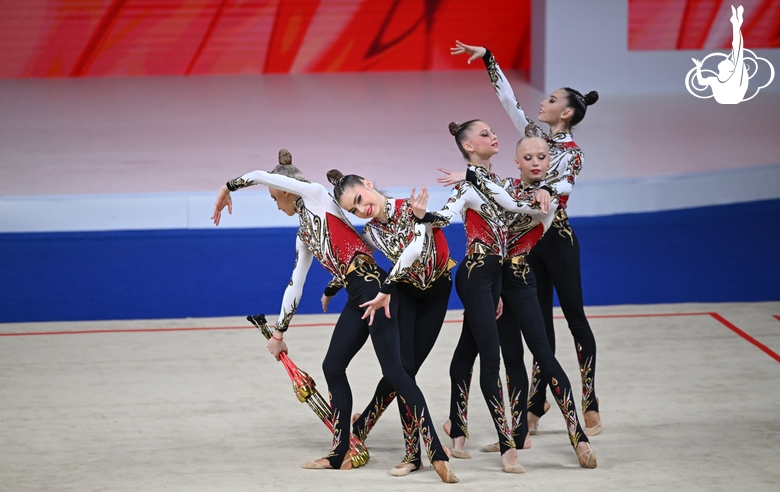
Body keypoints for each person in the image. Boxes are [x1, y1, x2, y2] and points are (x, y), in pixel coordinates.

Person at [210, 149, 457, 483]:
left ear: (285, 189)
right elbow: (295, 283)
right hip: (359, 292)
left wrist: (228, 187)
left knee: (396, 372)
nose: (275, 203)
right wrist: (280, 333)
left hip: (375, 290)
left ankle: (435, 452)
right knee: (333, 365)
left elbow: (260, 174)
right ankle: (341, 452)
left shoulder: (316, 196)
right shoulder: (304, 233)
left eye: (274, 197)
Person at [447, 41, 602, 437]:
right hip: (522, 241)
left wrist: (541, 192)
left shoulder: (573, 154)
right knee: (537, 326)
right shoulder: (533, 139)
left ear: (565, 112)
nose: (542, 103)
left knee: (575, 318)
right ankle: (534, 404)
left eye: (550, 100)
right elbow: (509, 102)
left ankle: (589, 399)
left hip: (555, 234)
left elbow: (563, 185)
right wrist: (489, 59)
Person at [451, 134, 596, 468]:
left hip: (520, 278)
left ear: (549, 161)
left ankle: (579, 438)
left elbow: (524, 205)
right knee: (510, 356)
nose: (535, 162)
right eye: (527, 157)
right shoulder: (505, 185)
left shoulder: (555, 194)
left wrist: (541, 189)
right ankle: (515, 436)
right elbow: (495, 198)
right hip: (494, 281)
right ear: (517, 163)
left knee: (543, 355)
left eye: (542, 157)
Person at [417, 120, 549, 473]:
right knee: (491, 360)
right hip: (475, 276)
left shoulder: (496, 182)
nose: (494, 136)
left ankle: (457, 432)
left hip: (495, 279)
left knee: (467, 350)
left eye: (493, 131)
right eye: (485, 134)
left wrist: (541, 193)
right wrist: (422, 215)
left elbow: (514, 204)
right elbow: (444, 216)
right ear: (470, 147)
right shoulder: (471, 186)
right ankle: (508, 448)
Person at [323, 169, 455, 477]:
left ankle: (363, 424)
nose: (361, 209)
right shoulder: (370, 231)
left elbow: (444, 221)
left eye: (359, 199)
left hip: (437, 292)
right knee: (403, 369)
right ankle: (413, 455)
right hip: (403, 294)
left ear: (368, 185)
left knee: (406, 369)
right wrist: (333, 286)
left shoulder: (411, 207)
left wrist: (423, 216)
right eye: (353, 210)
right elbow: (357, 257)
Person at [692, 6, 748, 104]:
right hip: (725, 101)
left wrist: (736, 25)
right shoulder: (714, 80)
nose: (725, 59)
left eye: (728, 61)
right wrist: (698, 67)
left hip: (732, 100)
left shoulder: (735, 77)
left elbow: (737, 47)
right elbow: (701, 82)